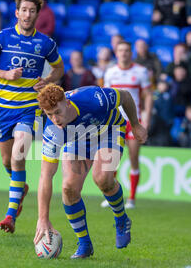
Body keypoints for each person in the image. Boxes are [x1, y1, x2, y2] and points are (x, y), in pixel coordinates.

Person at [0, 0, 64, 234]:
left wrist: (47, 80)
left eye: (32, 11)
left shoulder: (45, 43)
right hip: (4, 109)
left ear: (37, 15)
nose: (27, 15)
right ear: (17, 13)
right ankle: (20, 188)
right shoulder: (2, 38)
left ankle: (10, 215)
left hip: (30, 110)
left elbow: (59, 68)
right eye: (23, 10)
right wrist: (4, 73)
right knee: (7, 161)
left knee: (18, 156)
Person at [33, 83, 147, 258]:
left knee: (102, 178)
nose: (55, 119)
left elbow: (124, 96)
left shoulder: (94, 98)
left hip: (109, 131)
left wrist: (136, 124)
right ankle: (85, 244)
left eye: (58, 112)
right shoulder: (52, 131)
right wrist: (43, 218)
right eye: (49, 114)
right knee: (68, 188)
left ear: (67, 103)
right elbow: (45, 175)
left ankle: (122, 219)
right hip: (78, 141)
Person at [102, 41, 153, 209]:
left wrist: (146, 118)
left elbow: (148, 96)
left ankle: (131, 198)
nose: (123, 53)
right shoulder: (110, 72)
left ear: (131, 53)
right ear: (116, 53)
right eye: (120, 50)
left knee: (133, 158)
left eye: (126, 50)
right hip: (115, 121)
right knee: (113, 160)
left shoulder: (140, 71)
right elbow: (106, 97)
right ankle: (111, 197)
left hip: (134, 121)